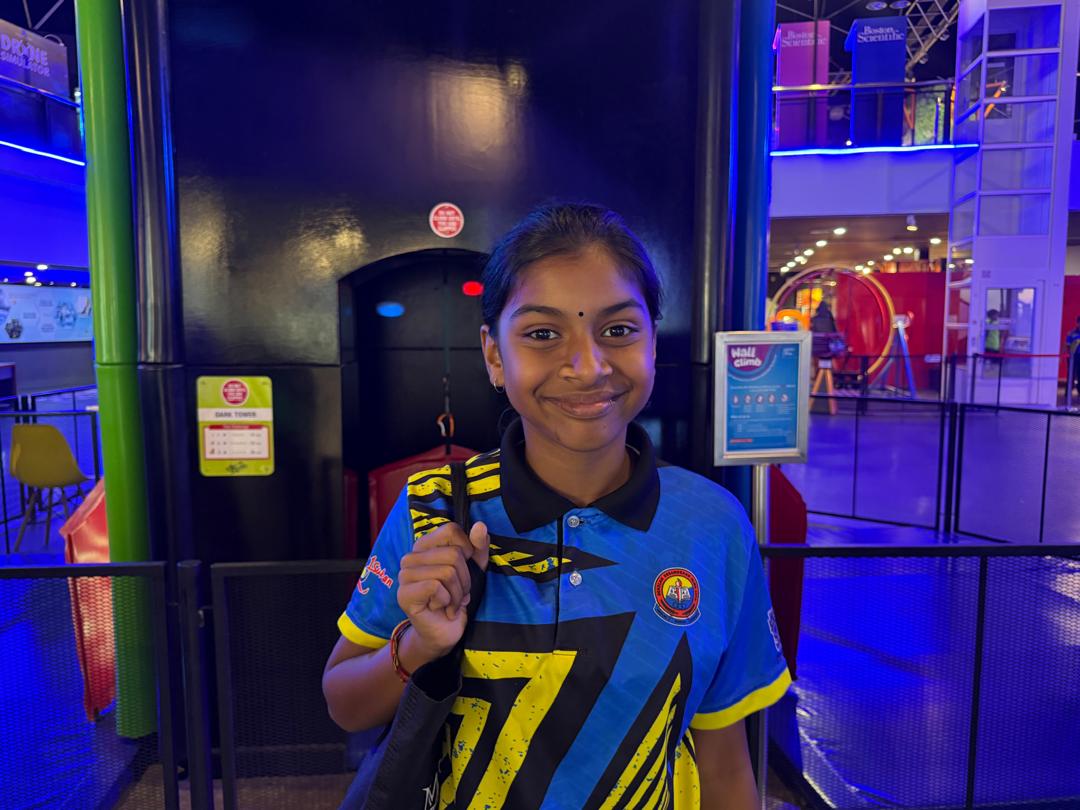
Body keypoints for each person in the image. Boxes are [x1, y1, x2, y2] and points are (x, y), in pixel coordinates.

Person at [323, 203, 791, 808]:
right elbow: (345, 704)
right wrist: (422, 643)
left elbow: (725, 762)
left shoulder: (712, 524)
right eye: (543, 334)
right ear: (495, 355)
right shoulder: (433, 508)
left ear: (652, 341)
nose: (588, 367)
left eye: (618, 330)